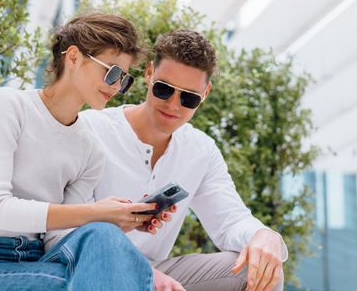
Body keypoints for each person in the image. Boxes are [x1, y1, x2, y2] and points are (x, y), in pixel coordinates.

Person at [0, 13, 157, 291]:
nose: (116, 86)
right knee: (75, 282)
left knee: (103, 236)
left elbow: (55, 239)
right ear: (74, 57)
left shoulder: (90, 150)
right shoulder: (9, 106)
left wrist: (112, 221)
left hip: (40, 259)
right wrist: (94, 212)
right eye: (112, 72)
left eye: (124, 79)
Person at [81, 29, 288, 291]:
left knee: (260, 268)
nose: (173, 105)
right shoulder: (92, 130)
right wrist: (138, 270)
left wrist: (265, 236)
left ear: (205, 93)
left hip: (159, 276)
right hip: (91, 269)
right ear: (148, 74)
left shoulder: (200, 150)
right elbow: (66, 230)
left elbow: (230, 221)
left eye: (189, 97)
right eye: (164, 89)